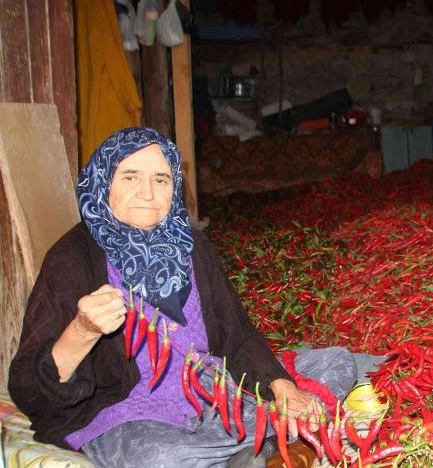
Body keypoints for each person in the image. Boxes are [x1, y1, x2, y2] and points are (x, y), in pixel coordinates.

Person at [9, 127, 359, 468]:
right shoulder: (73, 258)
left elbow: (236, 333)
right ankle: (261, 441)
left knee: (339, 363)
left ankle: (252, 443)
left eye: (161, 179)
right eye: (130, 177)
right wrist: (82, 331)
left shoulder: (190, 244)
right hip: (133, 411)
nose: (148, 192)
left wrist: (280, 385)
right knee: (161, 459)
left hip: (215, 391)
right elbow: (27, 388)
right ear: (102, 184)